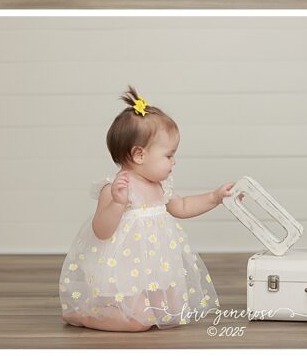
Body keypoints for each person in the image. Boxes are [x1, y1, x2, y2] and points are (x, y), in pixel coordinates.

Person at [59, 87, 235, 331]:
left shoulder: (161, 185)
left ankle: (139, 304)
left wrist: (215, 197)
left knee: (172, 310)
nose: (174, 161)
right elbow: (101, 230)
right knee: (137, 321)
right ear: (139, 155)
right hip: (126, 270)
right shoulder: (116, 188)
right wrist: (118, 204)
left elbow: (182, 206)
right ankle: (85, 315)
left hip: (157, 266)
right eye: (168, 155)